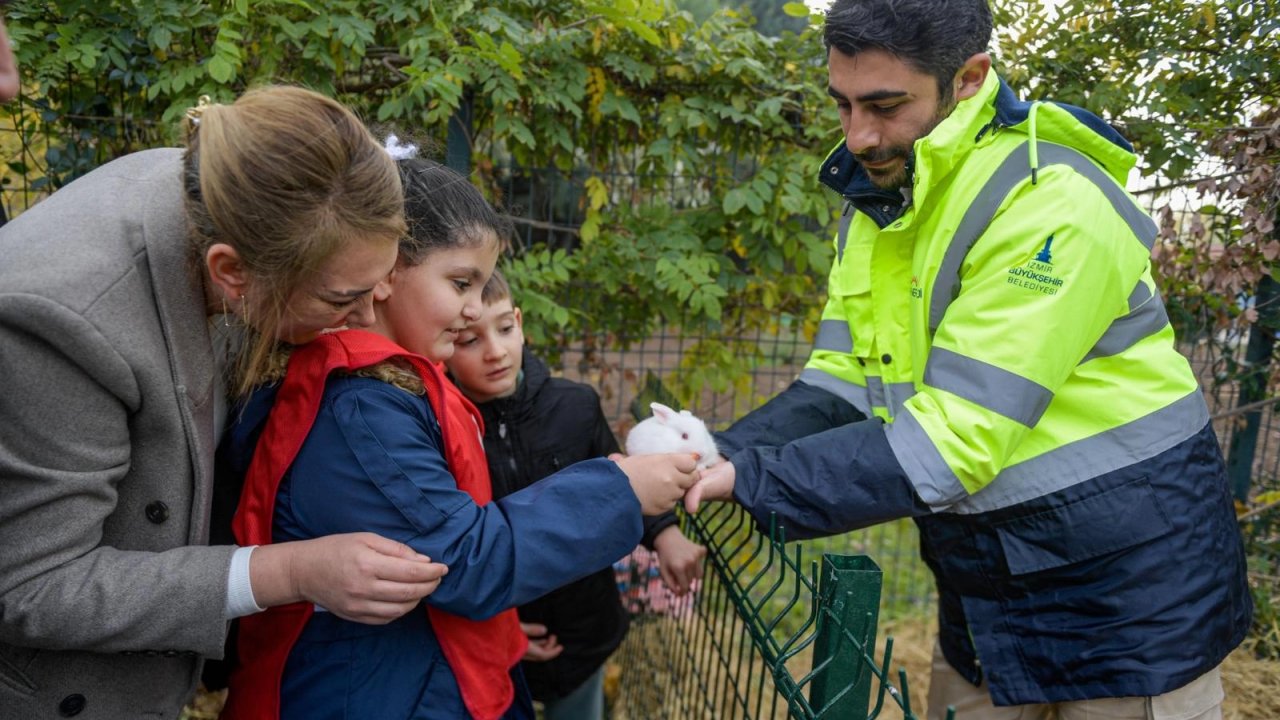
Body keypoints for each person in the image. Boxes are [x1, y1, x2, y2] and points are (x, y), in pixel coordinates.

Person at [685, 1, 1252, 718]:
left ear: (969, 78)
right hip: (989, 593)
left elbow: (956, 438)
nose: (858, 136)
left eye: (885, 106)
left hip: (1131, 603)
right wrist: (715, 451)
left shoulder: (1049, 199)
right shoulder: (882, 203)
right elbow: (844, 384)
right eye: (843, 105)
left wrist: (753, 479)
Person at [0, 87, 451, 720]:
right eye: (340, 297)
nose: (368, 313)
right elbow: (31, 585)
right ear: (232, 272)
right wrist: (289, 573)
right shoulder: (65, 325)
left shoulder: (230, 193)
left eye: (379, 283)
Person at [218, 156, 698, 720]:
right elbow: (462, 560)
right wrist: (619, 489)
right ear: (386, 271)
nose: (474, 309)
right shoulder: (360, 410)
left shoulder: (394, 386)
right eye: (461, 283)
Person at [444, 268, 707, 719]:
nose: (495, 352)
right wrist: (498, 630)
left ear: (520, 322)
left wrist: (666, 534)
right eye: (470, 340)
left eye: (505, 329)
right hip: (492, 637)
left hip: (584, 630)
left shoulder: (575, 406)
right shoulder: (444, 427)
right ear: (444, 344)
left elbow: (623, 482)